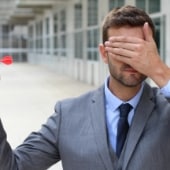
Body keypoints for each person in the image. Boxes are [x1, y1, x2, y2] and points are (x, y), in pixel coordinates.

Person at [1, 5, 170, 170]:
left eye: (138, 50)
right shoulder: (67, 115)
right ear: (104, 53)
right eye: (121, 50)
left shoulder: (165, 108)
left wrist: (159, 70)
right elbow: (14, 166)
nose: (131, 59)